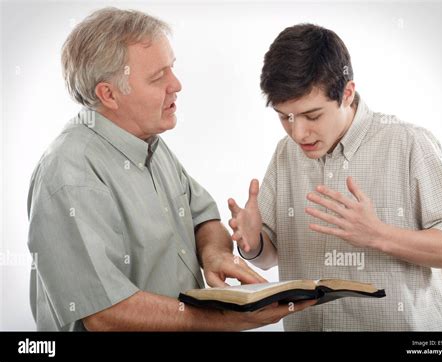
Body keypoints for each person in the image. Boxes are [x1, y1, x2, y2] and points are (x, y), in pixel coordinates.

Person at [26, 8, 314, 331]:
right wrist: (224, 319)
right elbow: (105, 314)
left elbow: (204, 218)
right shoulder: (69, 174)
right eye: (157, 77)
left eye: (171, 69)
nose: (176, 85)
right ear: (108, 94)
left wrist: (214, 254)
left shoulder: (150, 144)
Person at [228, 23, 442, 331]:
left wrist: (378, 235)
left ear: (347, 93)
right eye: (285, 117)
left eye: (312, 116)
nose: (298, 132)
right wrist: (253, 244)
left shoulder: (409, 144)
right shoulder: (285, 153)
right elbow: (269, 257)